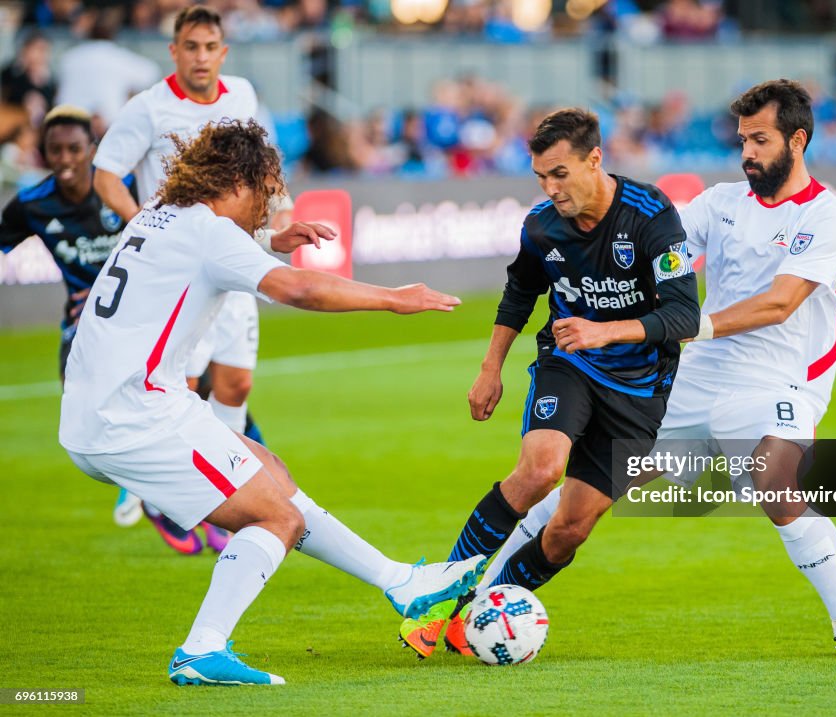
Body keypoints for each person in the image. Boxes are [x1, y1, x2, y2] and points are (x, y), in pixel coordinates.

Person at [441, 80, 836, 661]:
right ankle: (474, 604)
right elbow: (654, 243)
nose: (747, 152)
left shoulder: (826, 218)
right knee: (578, 499)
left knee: (776, 486)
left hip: (780, 381)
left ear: (797, 140)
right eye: (742, 140)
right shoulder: (720, 204)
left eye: (760, 139)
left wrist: (681, 324)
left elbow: (779, 304)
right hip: (693, 381)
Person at [58, 118, 486, 686]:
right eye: (266, 191)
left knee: (271, 472)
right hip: (134, 416)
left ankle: (403, 583)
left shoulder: (161, 218)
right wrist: (392, 297)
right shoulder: (210, 233)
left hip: (112, 405)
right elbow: (299, 288)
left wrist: (263, 241)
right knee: (274, 517)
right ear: (239, 181)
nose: (269, 206)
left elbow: (197, 256)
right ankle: (201, 649)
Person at [398, 107, 701, 657]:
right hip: (570, 363)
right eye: (541, 176)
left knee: (570, 530)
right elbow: (520, 293)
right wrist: (490, 368)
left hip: (639, 390)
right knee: (540, 468)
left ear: (595, 160)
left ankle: (480, 613)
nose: (551, 188)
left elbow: (685, 318)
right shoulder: (541, 224)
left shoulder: (652, 214)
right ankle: (437, 602)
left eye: (560, 174)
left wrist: (605, 331)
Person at [93, 5, 276, 551]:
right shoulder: (149, 107)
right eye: (190, 47)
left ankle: (223, 500)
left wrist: (277, 217)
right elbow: (106, 175)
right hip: (177, 275)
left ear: (224, 52)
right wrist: (145, 229)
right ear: (174, 52)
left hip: (231, 256)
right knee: (182, 387)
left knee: (236, 383)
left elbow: (262, 164)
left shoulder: (242, 95)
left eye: (209, 47)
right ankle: (169, 497)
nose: (201, 57)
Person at [0, 105, 143, 525]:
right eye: (54, 150)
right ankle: (138, 483)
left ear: (92, 150)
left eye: (74, 149)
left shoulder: (125, 185)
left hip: (144, 313)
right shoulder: (32, 203)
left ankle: (146, 483)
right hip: (83, 322)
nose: (64, 159)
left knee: (201, 387)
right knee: (80, 411)